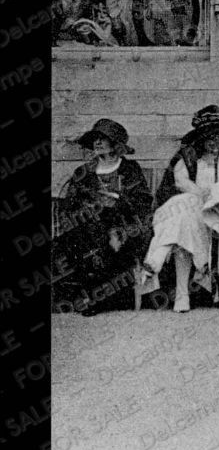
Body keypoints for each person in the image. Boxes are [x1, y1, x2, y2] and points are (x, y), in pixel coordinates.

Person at [141, 106, 219, 313]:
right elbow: (177, 185)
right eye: (213, 138)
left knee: (205, 203)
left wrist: (217, 195)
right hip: (193, 217)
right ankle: (182, 294)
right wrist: (200, 194)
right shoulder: (189, 161)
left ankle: (158, 260)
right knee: (185, 216)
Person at [55, 119, 153, 316]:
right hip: (89, 229)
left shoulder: (130, 170)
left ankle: (100, 297)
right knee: (87, 230)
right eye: (95, 139)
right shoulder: (84, 172)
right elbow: (69, 204)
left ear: (116, 144)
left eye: (103, 139)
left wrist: (117, 202)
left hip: (125, 227)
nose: (98, 143)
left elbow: (143, 202)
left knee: (104, 224)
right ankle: (94, 296)